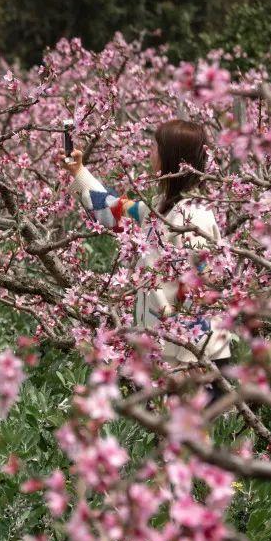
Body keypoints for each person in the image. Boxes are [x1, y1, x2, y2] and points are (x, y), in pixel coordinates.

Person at [61, 119, 235, 380]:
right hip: (167, 351)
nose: (150, 153)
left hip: (192, 359)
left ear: (172, 157)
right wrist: (79, 173)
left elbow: (202, 292)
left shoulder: (192, 219)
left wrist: (194, 358)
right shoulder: (162, 209)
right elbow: (115, 209)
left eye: (155, 147)